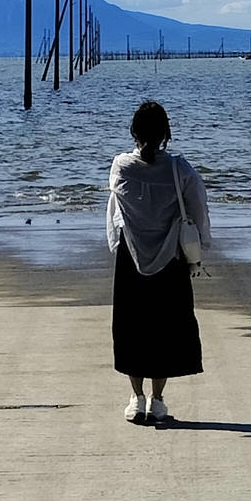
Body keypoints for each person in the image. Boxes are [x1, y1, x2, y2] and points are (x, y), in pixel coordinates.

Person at [106, 98, 210, 424]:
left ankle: (136, 399)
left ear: (134, 132)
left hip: (131, 254)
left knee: (132, 327)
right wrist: (200, 250)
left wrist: (115, 243)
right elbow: (198, 211)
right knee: (166, 327)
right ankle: (158, 400)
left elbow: (115, 212)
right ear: (166, 132)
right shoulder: (180, 169)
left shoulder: (121, 166)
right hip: (171, 258)